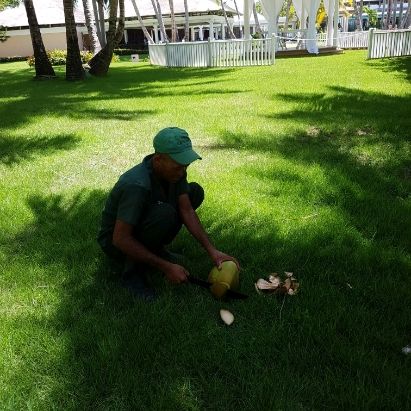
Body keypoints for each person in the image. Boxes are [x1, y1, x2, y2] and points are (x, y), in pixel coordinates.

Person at [98, 127, 239, 300]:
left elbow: (186, 209)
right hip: (116, 243)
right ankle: (132, 273)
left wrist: (212, 251)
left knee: (194, 192)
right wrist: (165, 267)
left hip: (141, 224)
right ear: (158, 159)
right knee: (164, 214)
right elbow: (120, 238)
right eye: (179, 166)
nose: (183, 172)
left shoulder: (175, 172)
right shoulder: (136, 185)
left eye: (185, 165)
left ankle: (156, 250)